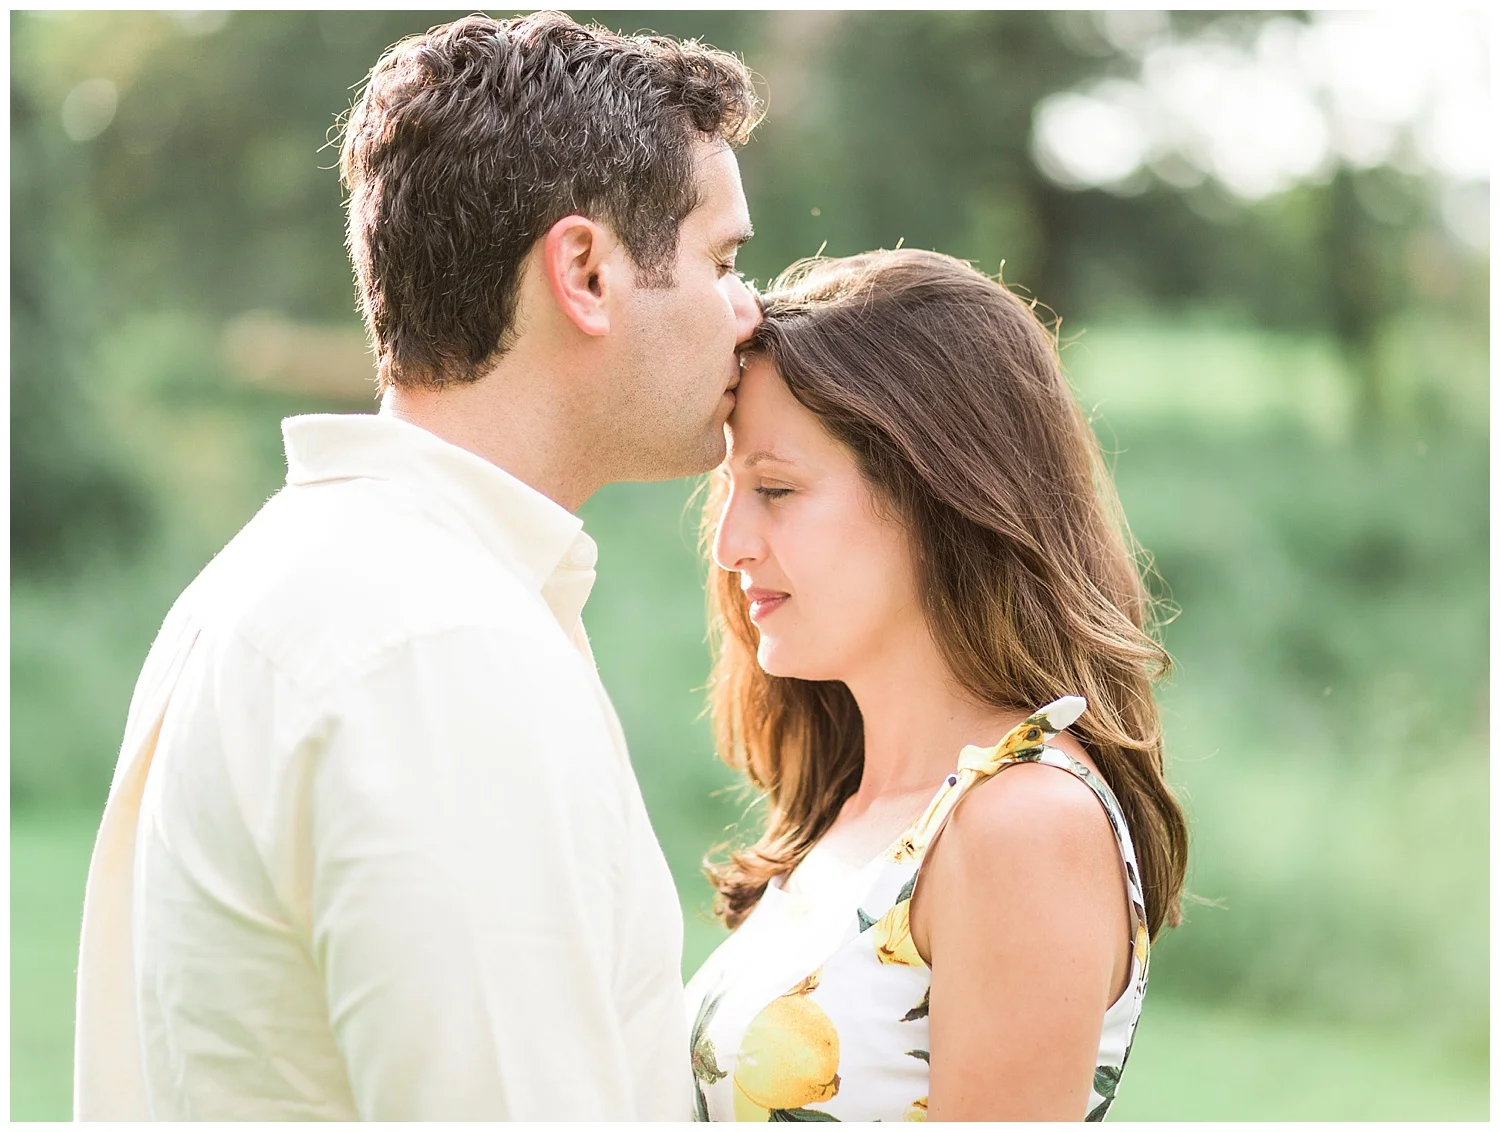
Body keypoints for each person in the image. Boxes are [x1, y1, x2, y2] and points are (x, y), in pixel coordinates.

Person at [73, 12, 763, 1121]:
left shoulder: (291, 581)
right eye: (725, 260)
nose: (750, 310)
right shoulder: (440, 647)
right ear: (585, 270)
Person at [684, 249, 1190, 1121]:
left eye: (775, 488)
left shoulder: (1023, 826)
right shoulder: (861, 809)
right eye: (732, 489)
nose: (729, 543)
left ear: (937, 494)